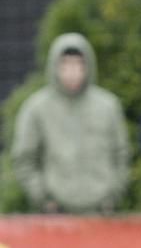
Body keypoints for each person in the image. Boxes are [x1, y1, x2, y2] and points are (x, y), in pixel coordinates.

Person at [12, 32, 130, 213]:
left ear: (88, 66)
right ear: (54, 67)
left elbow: (122, 154)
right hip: (56, 216)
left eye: (78, 64)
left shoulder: (108, 106)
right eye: (66, 64)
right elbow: (24, 159)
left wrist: (112, 196)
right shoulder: (36, 108)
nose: (73, 72)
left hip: (101, 214)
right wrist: (44, 198)